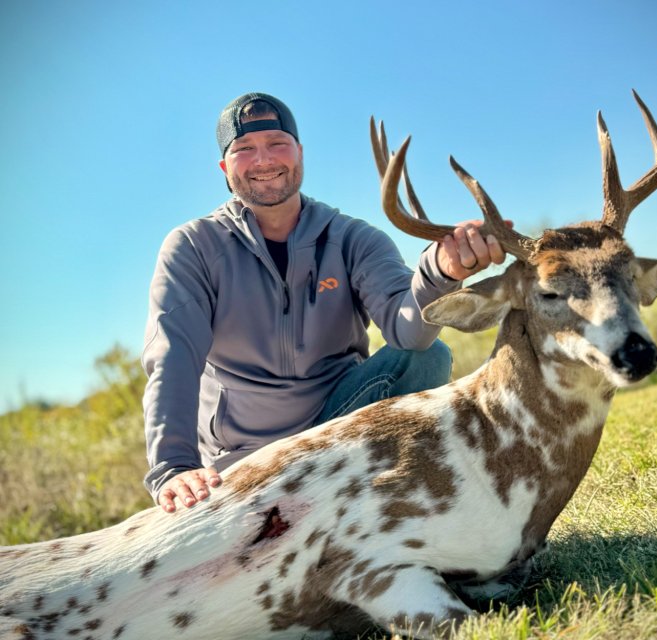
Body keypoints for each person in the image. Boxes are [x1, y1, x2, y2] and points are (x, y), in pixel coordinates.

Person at [142, 92, 506, 513]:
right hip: (241, 457)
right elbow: (173, 358)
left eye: (277, 143)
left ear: (299, 153)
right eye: (244, 150)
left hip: (336, 430)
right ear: (226, 169)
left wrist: (439, 271)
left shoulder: (353, 238)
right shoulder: (192, 246)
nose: (263, 160)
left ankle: (401, 489)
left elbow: (408, 330)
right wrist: (173, 466)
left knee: (426, 356)